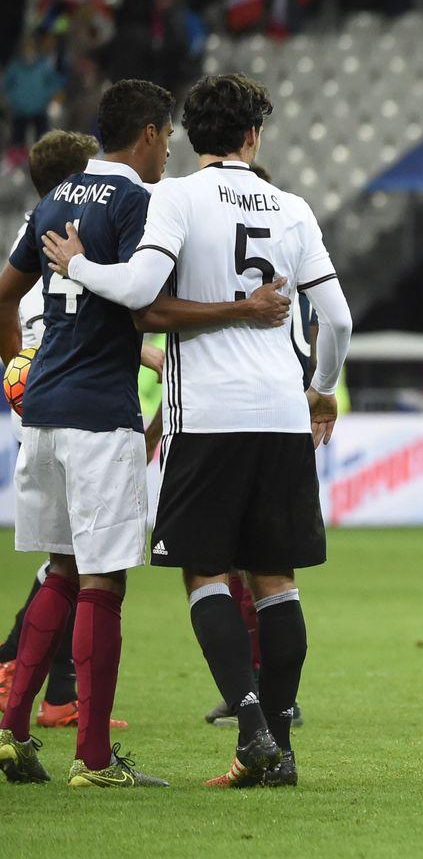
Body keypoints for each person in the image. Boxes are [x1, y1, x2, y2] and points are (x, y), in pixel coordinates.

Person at [43, 73, 353, 789]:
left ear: (191, 134)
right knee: (275, 578)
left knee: (206, 570)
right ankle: (278, 750)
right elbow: (336, 318)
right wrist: (321, 389)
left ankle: (250, 727)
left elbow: (139, 293)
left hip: (207, 415)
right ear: (253, 136)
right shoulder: (293, 207)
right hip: (281, 412)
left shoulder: (175, 198)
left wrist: (78, 263)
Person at [0, 82, 184, 788]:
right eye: (167, 137)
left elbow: (4, 293)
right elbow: (142, 298)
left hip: (43, 405)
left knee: (61, 569)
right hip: (100, 411)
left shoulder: (54, 198)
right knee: (103, 581)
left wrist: (19, 366)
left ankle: (12, 731)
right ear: (147, 133)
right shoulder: (138, 201)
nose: (168, 152)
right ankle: (96, 759)